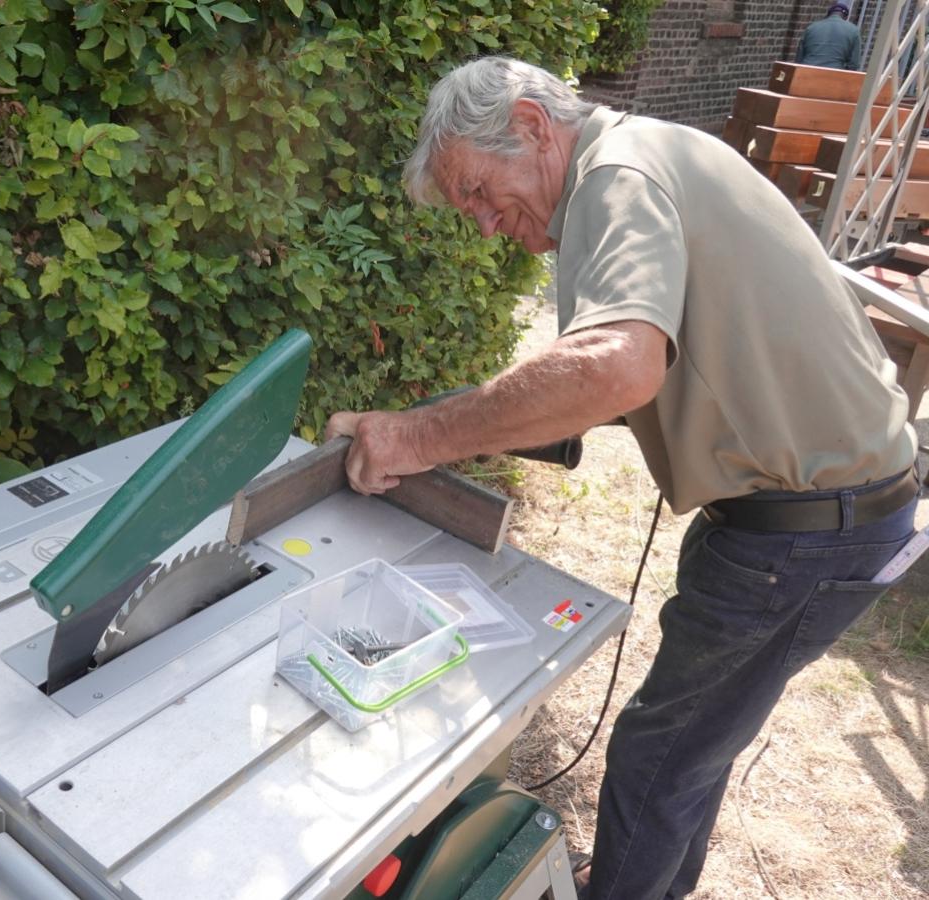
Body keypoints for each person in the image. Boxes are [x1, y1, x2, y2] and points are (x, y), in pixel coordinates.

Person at [325, 56, 920, 900]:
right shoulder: (646, 154)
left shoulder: (616, 174)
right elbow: (596, 385)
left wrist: (415, 437)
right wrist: (424, 426)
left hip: (810, 526)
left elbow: (616, 368)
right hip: (841, 507)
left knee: (659, 752)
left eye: (481, 193)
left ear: (532, 127)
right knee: (692, 748)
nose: (487, 223)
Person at [796, 3, 862, 70]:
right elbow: (854, 64)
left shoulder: (811, 27)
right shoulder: (854, 31)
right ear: (846, 17)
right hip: (833, 72)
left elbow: (799, 56)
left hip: (807, 69)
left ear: (828, 14)